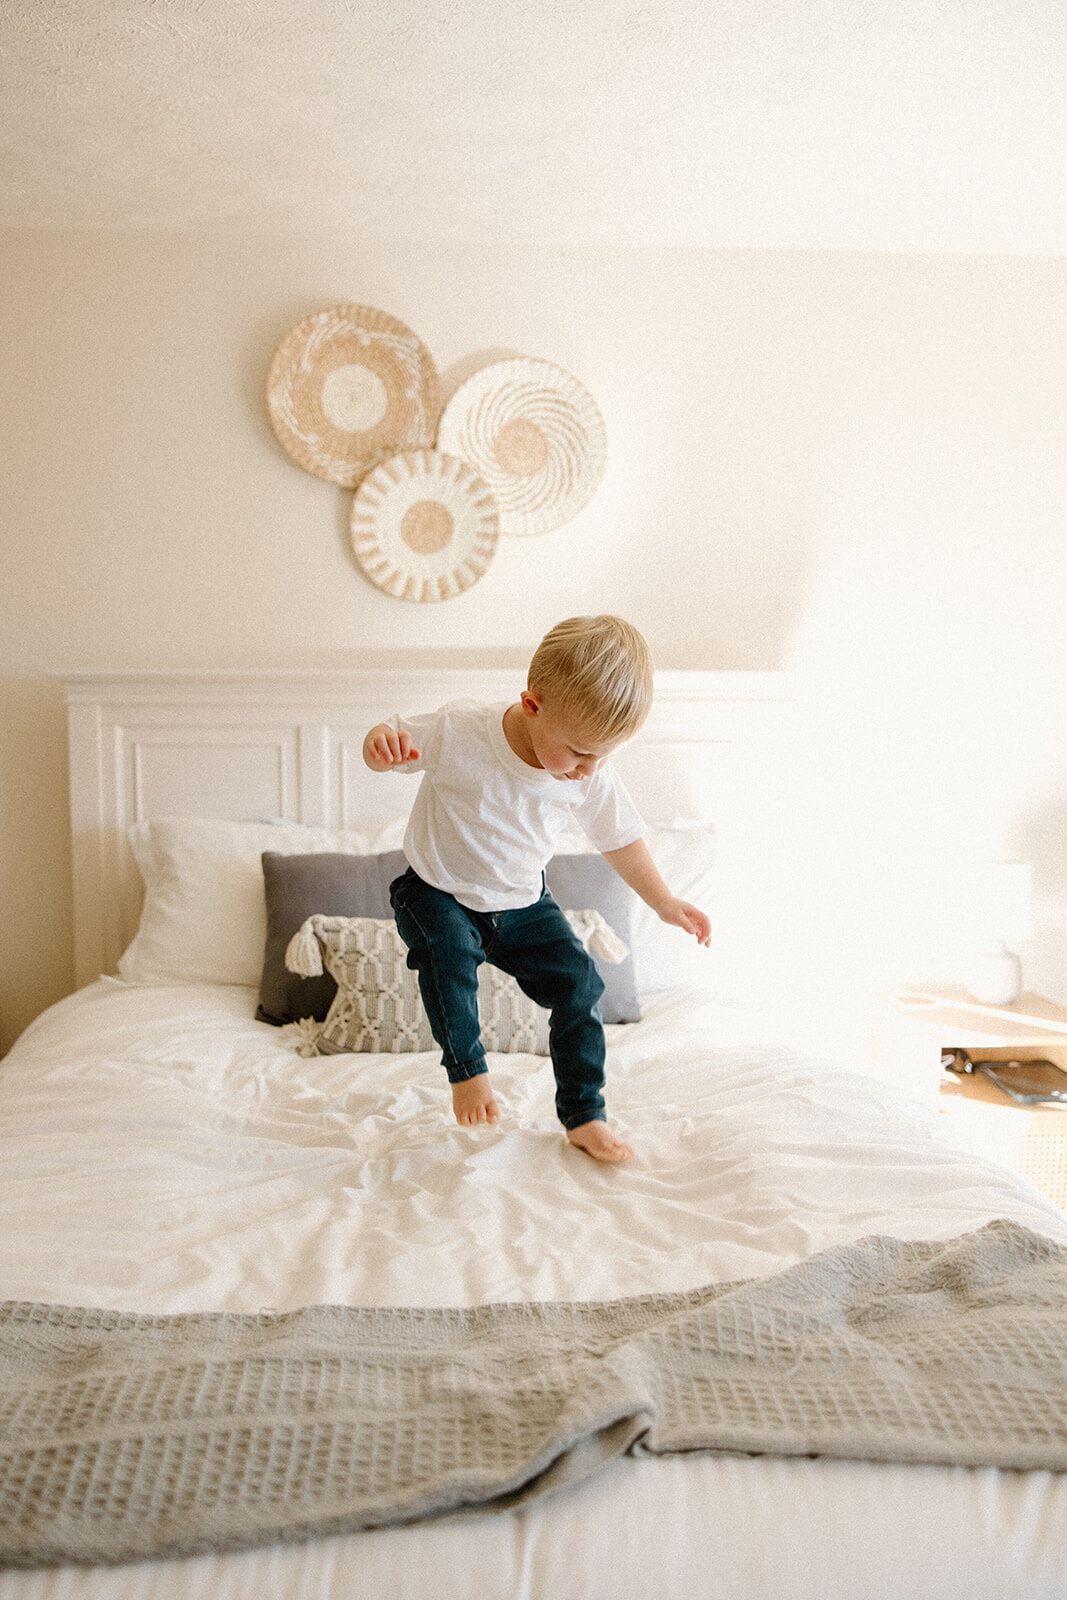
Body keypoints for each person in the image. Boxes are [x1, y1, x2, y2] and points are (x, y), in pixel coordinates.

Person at [362, 615, 711, 1163]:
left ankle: (584, 1113)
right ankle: (468, 1071)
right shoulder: (460, 729)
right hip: (437, 893)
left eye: (603, 756)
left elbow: (620, 838)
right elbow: (391, 739)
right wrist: (380, 745)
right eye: (577, 752)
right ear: (532, 705)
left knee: (582, 985)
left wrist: (664, 901)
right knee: (448, 955)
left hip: (522, 904)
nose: (588, 770)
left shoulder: (590, 772)